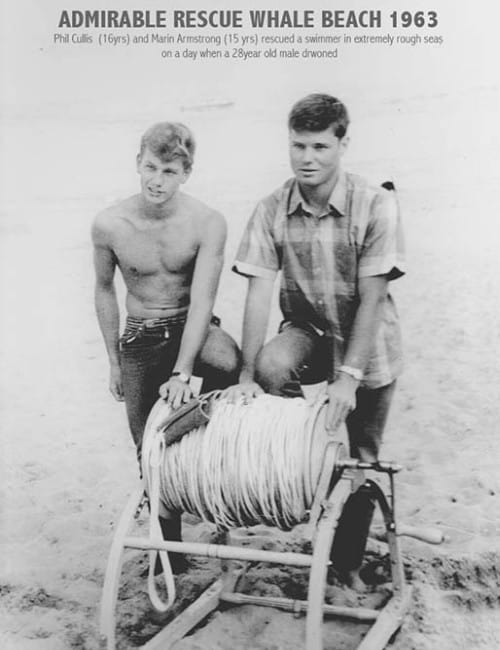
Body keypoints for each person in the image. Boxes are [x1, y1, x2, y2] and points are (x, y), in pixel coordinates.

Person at [228, 93, 405, 589]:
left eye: (321, 147)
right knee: (270, 367)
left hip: (367, 341)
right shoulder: (271, 208)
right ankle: (309, 466)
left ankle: (344, 565)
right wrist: (245, 376)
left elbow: (373, 298)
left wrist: (348, 379)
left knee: (363, 458)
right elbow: (258, 294)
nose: (308, 158)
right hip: (308, 331)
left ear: (343, 144)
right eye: (298, 146)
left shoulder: (376, 203)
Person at [92, 122, 240, 570]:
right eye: (151, 167)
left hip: (189, 325)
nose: (158, 180)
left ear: (186, 173)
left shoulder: (207, 222)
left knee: (228, 362)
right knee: (149, 451)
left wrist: (181, 373)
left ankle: (210, 474)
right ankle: (170, 553)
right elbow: (102, 290)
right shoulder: (109, 224)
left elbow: (202, 301)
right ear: (138, 163)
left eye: (170, 171)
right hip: (140, 333)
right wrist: (114, 362)